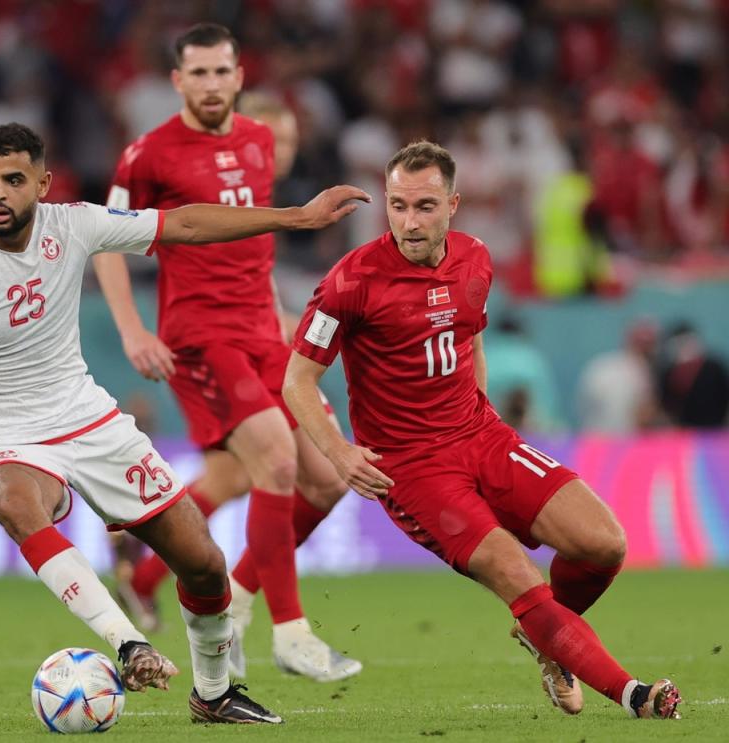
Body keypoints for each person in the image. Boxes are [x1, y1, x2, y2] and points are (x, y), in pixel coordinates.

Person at [0, 122, 368, 725]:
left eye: (14, 180)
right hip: (6, 439)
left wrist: (295, 218)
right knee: (13, 500)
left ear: (42, 183)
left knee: (203, 564)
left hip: (91, 423)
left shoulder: (73, 225)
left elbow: (186, 224)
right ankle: (128, 642)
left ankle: (214, 693)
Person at [283, 140, 682, 720]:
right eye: (397, 206)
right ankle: (635, 695)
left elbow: (470, 336)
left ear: (453, 205)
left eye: (424, 206)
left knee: (604, 544)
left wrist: (483, 412)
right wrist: (339, 454)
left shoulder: (475, 258)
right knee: (519, 575)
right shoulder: (350, 282)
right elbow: (297, 380)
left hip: (482, 436)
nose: (409, 222)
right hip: (414, 468)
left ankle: (543, 638)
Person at [94, 23, 361, 682]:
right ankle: (291, 632)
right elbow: (105, 240)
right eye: (199, 73)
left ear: (240, 77)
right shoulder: (147, 154)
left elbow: (252, 245)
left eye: (222, 72)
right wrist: (133, 330)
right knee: (270, 461)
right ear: (177, 80)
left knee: (326, 478)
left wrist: (280, 319)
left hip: (263, 336)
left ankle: (229, 598)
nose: (212, 85)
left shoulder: (259, 142)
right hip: (199, 336)